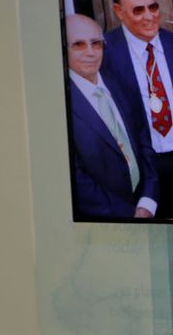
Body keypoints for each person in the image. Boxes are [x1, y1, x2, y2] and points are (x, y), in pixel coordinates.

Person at [100, 0, 173, 218]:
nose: (149, 16)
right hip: (140, 167)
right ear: (119, 12)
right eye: (138, 10)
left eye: (153, 7)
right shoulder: (106, 51)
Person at [63, 13, 158, 219]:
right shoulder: (60, 103)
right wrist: (129, 215)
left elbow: (143, 138)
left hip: (144, 204)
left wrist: (148, 200)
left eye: (96, 43)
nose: (90, 52)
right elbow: (74, 179)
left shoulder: (118, 82)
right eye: (78, 44)